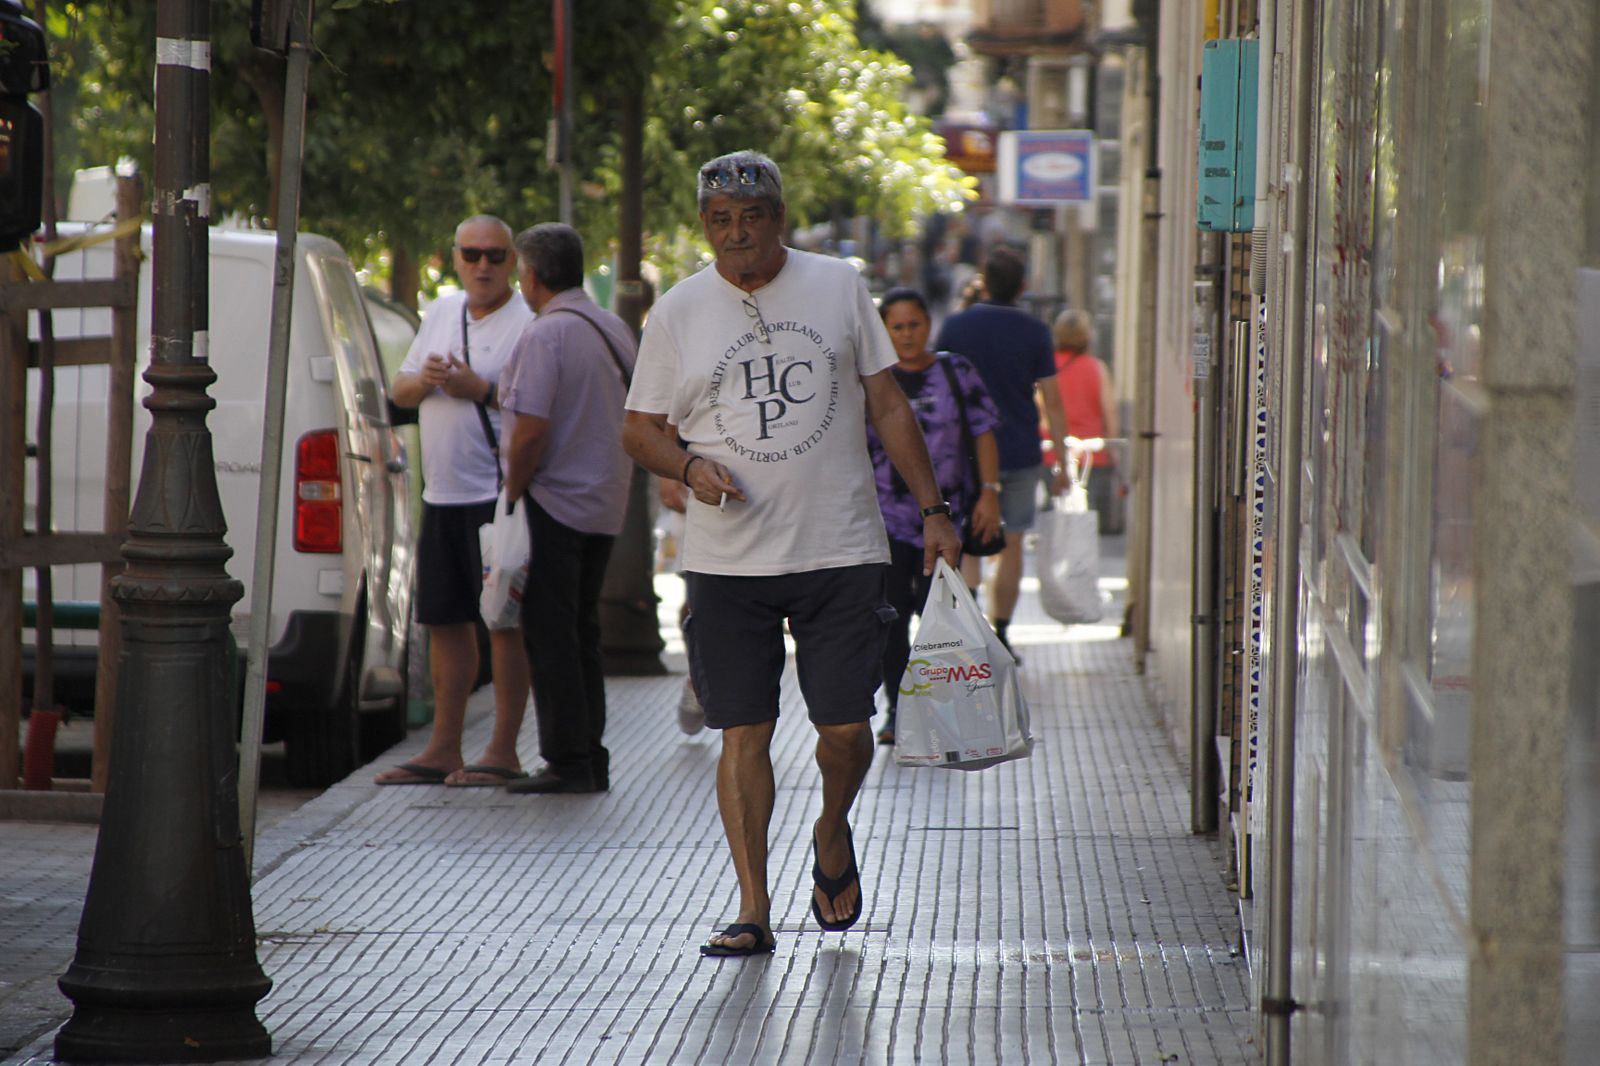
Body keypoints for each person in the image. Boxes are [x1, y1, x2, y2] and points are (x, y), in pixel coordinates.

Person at [621, 150, 960, 959]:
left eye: (753, 217)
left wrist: (935, 509)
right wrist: (689, 466)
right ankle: (753, 905)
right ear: (704, 226)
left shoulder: (839, 285)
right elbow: (640, 429)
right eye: (720, 221)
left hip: (840, 548)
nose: (737, 235)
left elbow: (887, 401)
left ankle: (833, 829)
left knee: (845, 730)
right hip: (727, 562)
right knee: (745, 730)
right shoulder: (677, 312)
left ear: (779, 218)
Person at [375, 215, 534, 788]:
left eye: (495, 255)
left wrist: (481, 391)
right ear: (457, 258)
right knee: (445, 621)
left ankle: (503, 751)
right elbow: (400, 390)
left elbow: (543, 407)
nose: (484, 266)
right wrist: (430, 381)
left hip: (499, 496)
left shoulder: (528, 320)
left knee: (504, 623)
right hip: (441, 494)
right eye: (473, 255)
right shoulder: (443, 311)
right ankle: (444, 747)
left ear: (513, 260)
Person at [499, 222, 638, 795]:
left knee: (550, 633)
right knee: (582, 631)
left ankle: (567, 760)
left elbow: (530, 430)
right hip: (606, 503)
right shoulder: (614, 328)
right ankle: (589, 755)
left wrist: (511, 490)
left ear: (531, 275)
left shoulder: (545, 336)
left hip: (555, 501)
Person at [867, 288, 1001, 747]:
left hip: (946, 516)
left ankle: (940, 710)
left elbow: (982, 431)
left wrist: (990, 493)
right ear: (884, 331)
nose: (906, 335)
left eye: (914, 325)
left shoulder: (954, 370)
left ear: (929, 325)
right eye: (897, 327)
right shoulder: (873, 378)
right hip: (883, 517)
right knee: (891, 617)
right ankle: (897, 710)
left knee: (936, 615)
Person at [934, 245, 1070, 661]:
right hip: (1021, 450)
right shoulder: (1035, 331)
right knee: (1011, 544)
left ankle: (974, 634)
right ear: (1023, 286)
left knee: (971, 542)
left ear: (985, 281)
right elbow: (1053, 400)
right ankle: (1004, 634)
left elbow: (937, 390)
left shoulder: (956, 327)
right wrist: (1061, 460)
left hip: (966, 453)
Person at [1047, 309, 1121, 532]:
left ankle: (1057, 554)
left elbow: (1040, 410)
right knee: (1088, 515)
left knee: (1054, 511)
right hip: (1091, 452)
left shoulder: (1048, 367)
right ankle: (1081, 558)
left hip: (1052, 450)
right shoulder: (1097, 368)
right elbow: (1110, 413)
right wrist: (1113, 447)